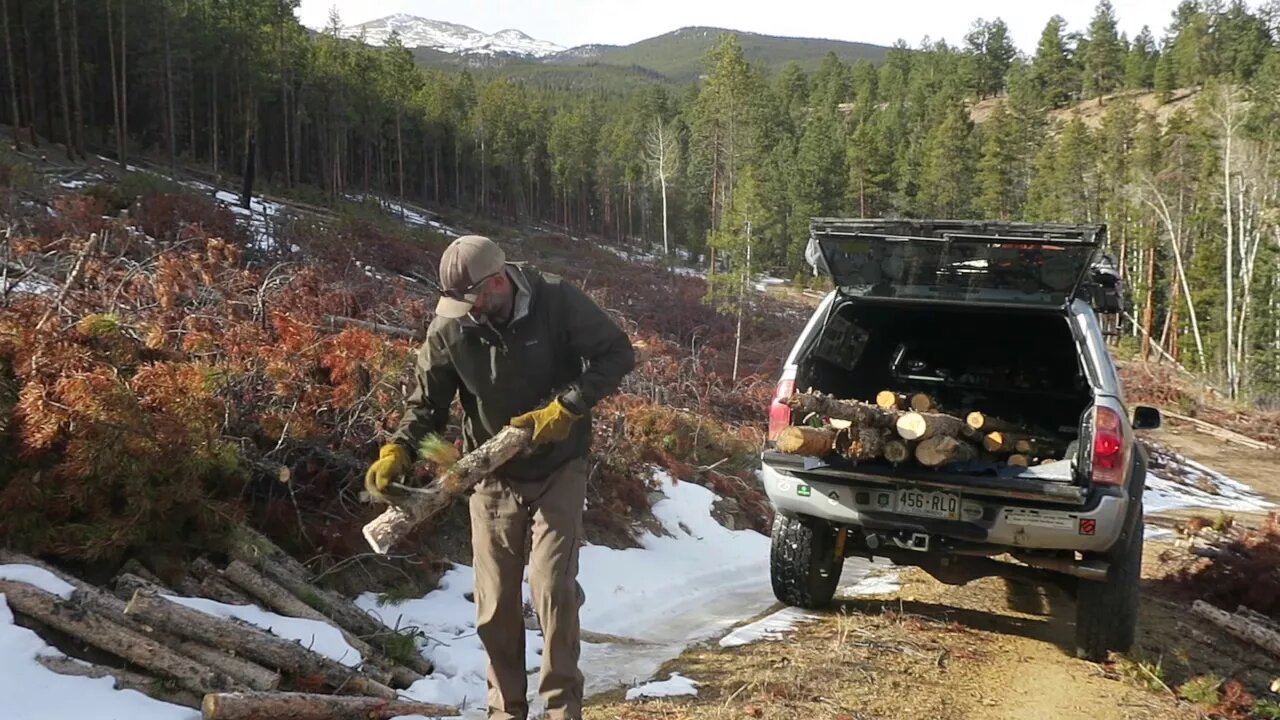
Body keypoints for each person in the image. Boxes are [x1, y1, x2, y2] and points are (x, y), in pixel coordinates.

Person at [365, 235, 635, 720]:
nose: (465, 311)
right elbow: (426, 406)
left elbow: (617, 353)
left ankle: (559, 710)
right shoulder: (450, 326)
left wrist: (568, 407)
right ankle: (505, 711)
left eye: (472, 299)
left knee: (552, 587)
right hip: (491, 474)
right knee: (495, 607)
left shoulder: (555, 299)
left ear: (497, 280)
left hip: (560, 465)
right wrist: (398, 451)